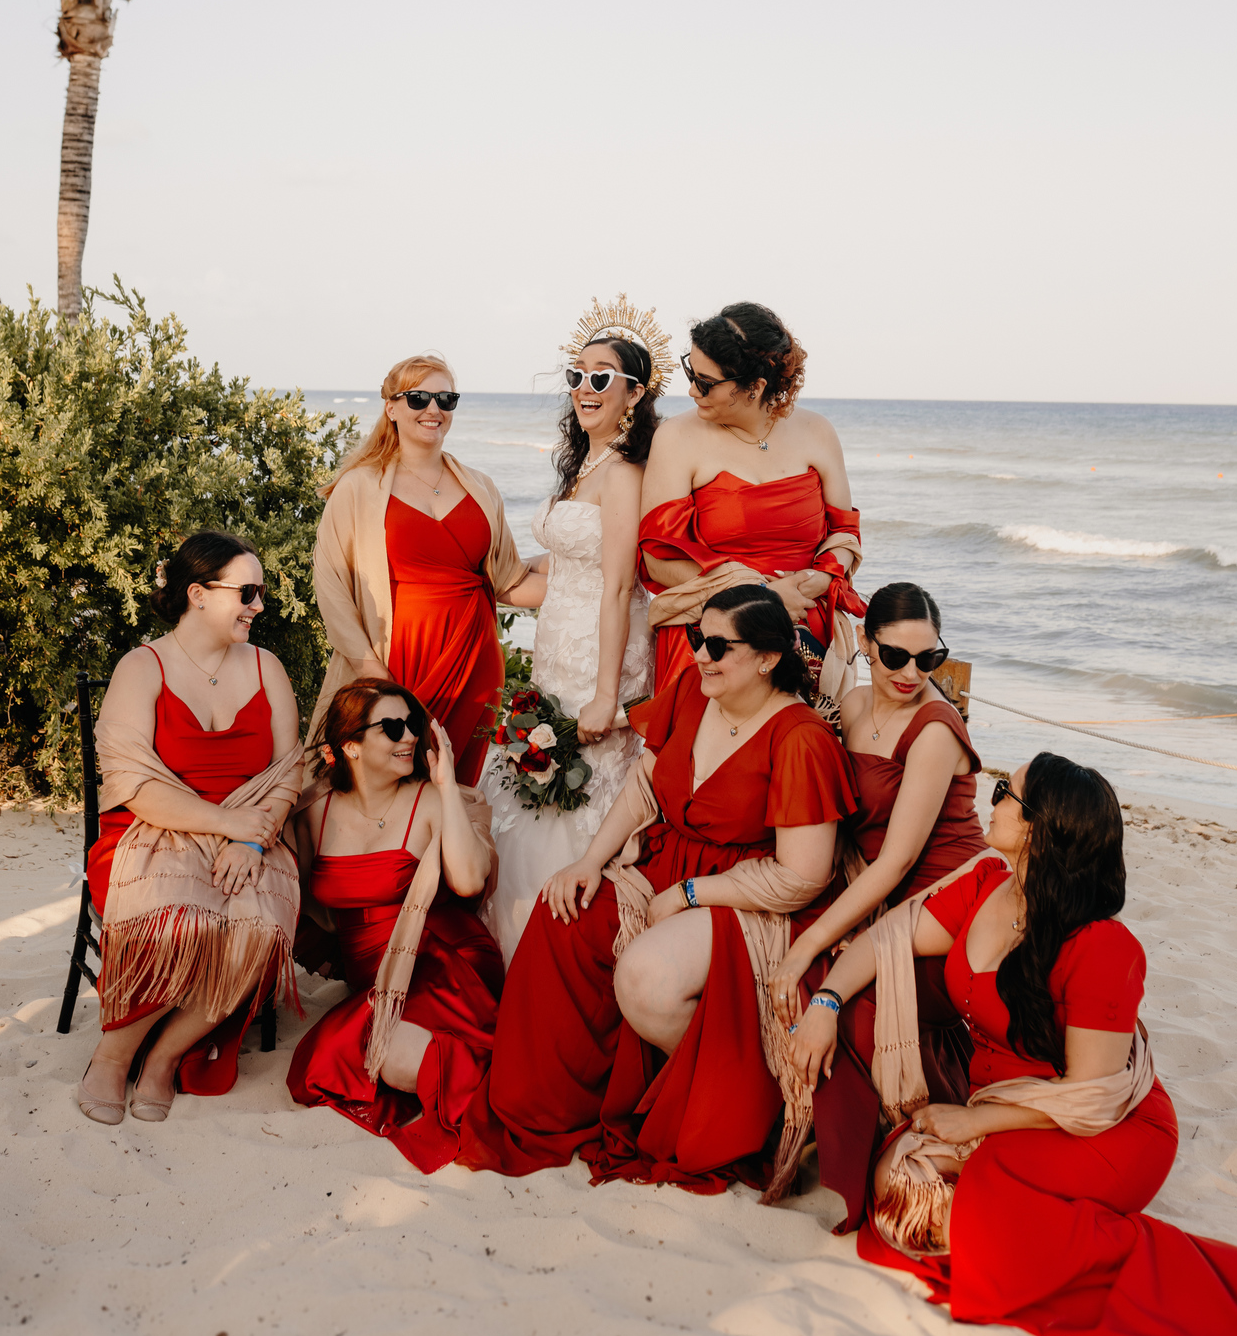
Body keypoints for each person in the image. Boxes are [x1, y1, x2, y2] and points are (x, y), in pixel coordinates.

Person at [789, 754, 1237, 1336]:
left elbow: (1093, 1095)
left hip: (1102, 1129)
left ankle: (1150, 1266)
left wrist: (974, 1121)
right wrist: (825, 1001)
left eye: (1005, 793)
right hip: (1003, 1106)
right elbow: (888, 939)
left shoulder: (1102, 946)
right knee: (897, 1181)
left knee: (968, 1213)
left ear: (1039, 827)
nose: (991, 799)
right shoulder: (985, 884)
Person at [459, 584, 857, 1196]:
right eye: (698, 637)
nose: (700, 654)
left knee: (645, 982)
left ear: (768, 658)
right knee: (564, 914)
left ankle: (743, 1104)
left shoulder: (800, 738)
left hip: (749, 894)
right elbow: (645, 787)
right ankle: (550, 1110)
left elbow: (801, 876)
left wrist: (693, 893)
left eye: (719, 646)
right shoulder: (694, 689)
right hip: (668, 864)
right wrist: (590, 860)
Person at [766, 582, 987, 1230]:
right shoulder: (855, 704)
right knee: (780, 967)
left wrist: (812, 945)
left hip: (938, 899)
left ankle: (867, 1157)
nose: (912, 673)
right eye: (895, 656)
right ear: (865, 644)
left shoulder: (935, 729)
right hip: (870, 889)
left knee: (847, 1005)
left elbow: (897, 861)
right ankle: (793, 1131)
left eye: (929, 658)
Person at [77, 532, 304, 1124]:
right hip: (155, 830)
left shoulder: (267, 667)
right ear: (198, 594)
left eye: (261, 592)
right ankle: (113, 1056)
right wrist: (226, 822)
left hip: (254, 834)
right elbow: (133, 783)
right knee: (186, 924)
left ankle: (164, 1058)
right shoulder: (141, 667)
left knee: (256, 932)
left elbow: (289, 772)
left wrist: (250, 839)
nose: (259, 605)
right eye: (247, 592)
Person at [484, 297, 665, 963]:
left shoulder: (625, 474)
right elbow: (565, 563)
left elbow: (617, 584)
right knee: (532, 794)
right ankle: (517, 954)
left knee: (585, 786)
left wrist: (606, 694)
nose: (584, 388)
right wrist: (498, 575)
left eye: (601, 377)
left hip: (602, 655)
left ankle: (565, 952)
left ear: (634, 393)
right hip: (556, 649)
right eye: (576, 376)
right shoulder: (581, 464)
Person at [286, 678, 503, 1170]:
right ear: (350, 746)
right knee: (323, 1063)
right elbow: (293, 894)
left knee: (392, 1058)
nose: (409, 737)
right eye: (392, 727)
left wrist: (446, 785)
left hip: (444, 958)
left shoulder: (429, 798)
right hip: (373, 977)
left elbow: (469, 881)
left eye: (413, 724)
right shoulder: (313, 812)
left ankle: (507, 1085)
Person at [311, 353, 534, 786]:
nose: (434, 409)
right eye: (418, 398)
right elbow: (331, 584)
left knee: (456, 790)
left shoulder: (482, 486)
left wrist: (595, 576)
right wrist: (369, 668)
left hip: (476, 661)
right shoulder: (358, 487)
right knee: (386, 785)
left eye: (446, 399)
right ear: (392, 408)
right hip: (397, 661)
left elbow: (511, 580)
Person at [638, 301, 864, 696]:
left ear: (755, 387)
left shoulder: (818, 431)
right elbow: (658, 560)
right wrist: (761, 595)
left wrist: (820, 580)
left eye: (706, 382)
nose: (691, 391)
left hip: (806, 636)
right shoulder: (676, 438)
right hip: (713, 642)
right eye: (691, 373)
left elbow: (844, 534)